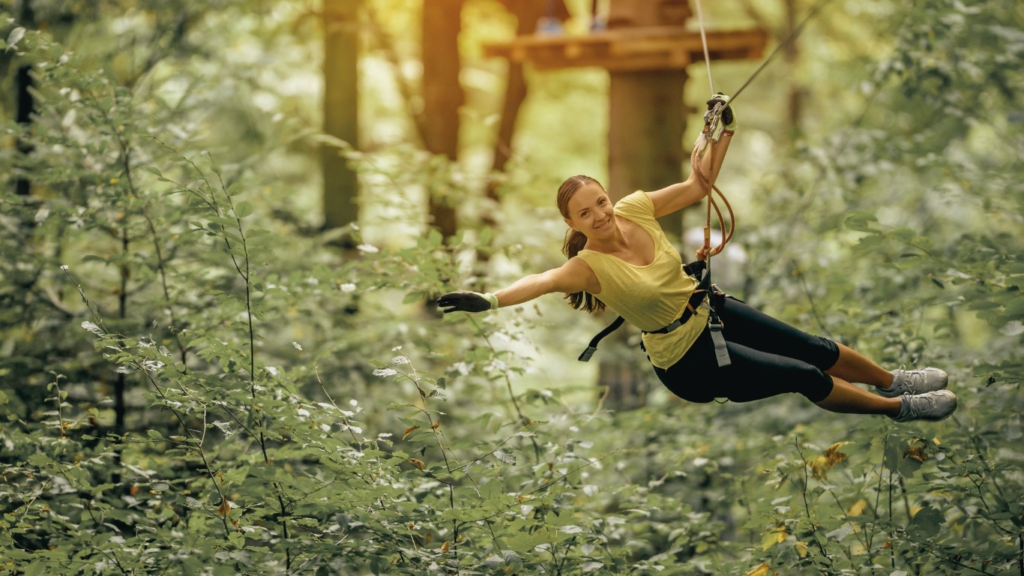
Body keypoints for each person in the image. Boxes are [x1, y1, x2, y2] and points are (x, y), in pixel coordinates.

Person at [437, 95, 957, 423]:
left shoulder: (634, 208)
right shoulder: (588, 267)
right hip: (688, 360)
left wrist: (721, 131)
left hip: (708, 308)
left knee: (815, 347)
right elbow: (542, 279)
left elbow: (698, 184)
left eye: (599, 201)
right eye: (584, 213)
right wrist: (488, 299)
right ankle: (899, 409)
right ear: (572, 225)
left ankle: (893, 379)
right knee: (805, 375)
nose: (599, 214)